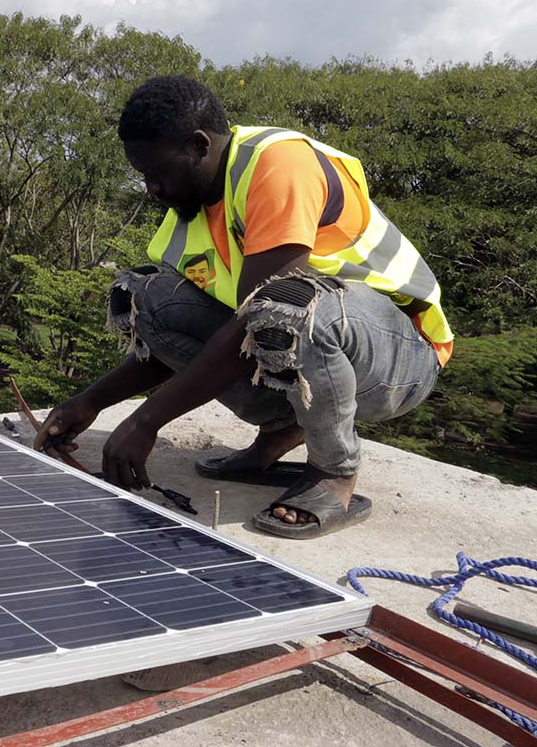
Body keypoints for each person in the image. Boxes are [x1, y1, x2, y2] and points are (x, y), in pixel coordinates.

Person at [34, 75, 453, 539]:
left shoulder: (279, 165)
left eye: (157, 172)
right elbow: (195, 336)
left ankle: (335, 472)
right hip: (321, 348)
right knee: (147, 298)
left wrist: (146, 421)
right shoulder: (193, 206)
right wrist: (91, 401)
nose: (150, 188)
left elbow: (263, 311)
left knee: (287, 304)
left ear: (197, 146)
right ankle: (281, 427)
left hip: (401, 357)